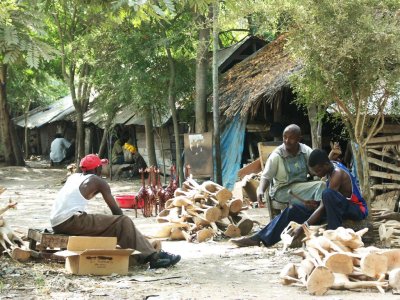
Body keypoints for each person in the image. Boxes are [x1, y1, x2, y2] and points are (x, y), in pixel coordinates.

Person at [50, 154, 181, 269]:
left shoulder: (73, 177)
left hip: (57, 222)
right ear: (97, 169)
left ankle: (144, 252)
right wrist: (130, 228)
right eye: (101, 166)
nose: (103, 168)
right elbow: (116, 211)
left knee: (115, 224)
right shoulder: (97, 181)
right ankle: (153, 257)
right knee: (123, 222)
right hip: (71, 220)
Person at [231, 148, 368, 247]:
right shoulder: (330, 168)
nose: (318, 174)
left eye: (319, 170)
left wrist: (304, 226)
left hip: (356, 210)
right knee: (294, 209)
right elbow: (327, 202)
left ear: (326, 165)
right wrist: (316, 203)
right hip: (339, 207)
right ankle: (260, 238)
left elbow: (328, 201)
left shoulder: (337, 173)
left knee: (327, 194)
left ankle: (332, 238)